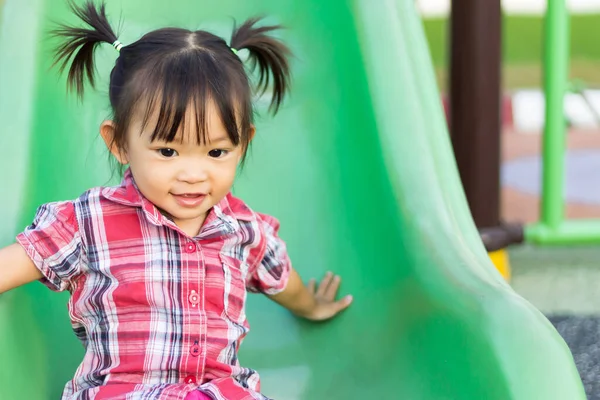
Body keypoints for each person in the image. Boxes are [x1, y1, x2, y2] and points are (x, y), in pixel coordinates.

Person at [0, 1, 353, 399]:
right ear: (118, 143)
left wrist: (310, 306)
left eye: (216, 152)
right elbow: (13, 264)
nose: (193, 173)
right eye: (168, 152)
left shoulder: (243, 229)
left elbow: (280, 277)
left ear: (243, 143)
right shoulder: (90, 222)